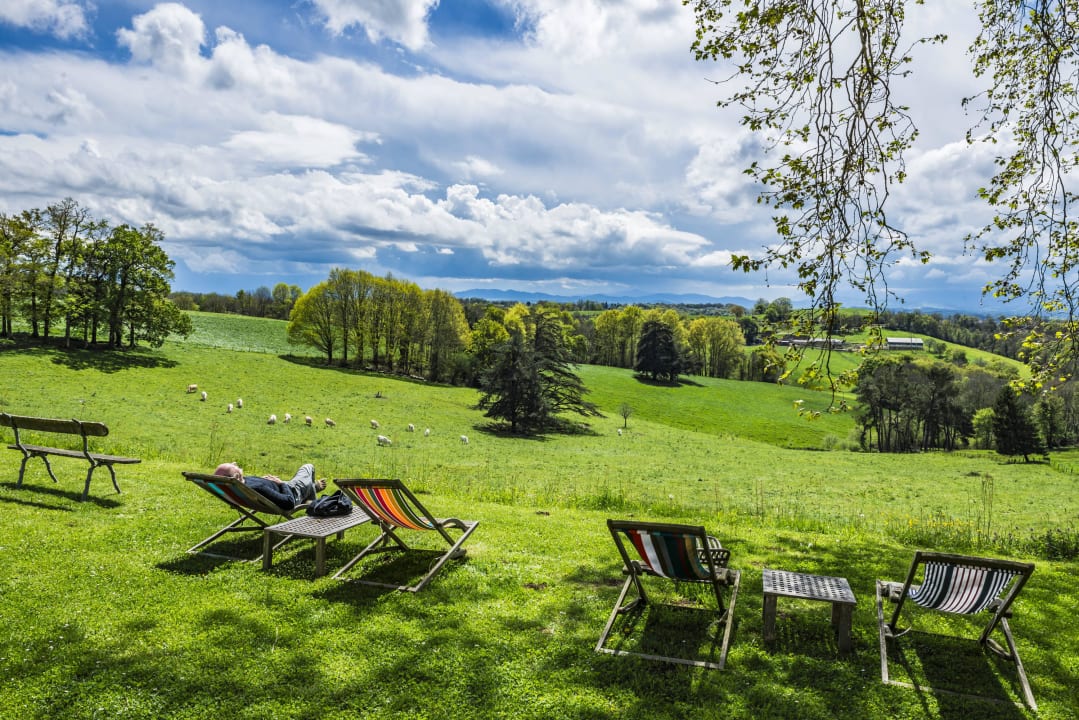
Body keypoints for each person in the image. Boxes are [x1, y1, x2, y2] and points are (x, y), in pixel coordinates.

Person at [213, 461, 326, 512]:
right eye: (234, 466)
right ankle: (312, 502)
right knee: (308, 467)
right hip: (293, 491)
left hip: (282, 487)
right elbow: (289, 503)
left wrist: (264, 480)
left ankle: (311, 489)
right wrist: (281, 483)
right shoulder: (257, 488)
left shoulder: (238, 487)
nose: (235, 464)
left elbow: (249, 482)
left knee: (307, 480)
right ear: (237, 476)